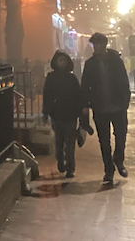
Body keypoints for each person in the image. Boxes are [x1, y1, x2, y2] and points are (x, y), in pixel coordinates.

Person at [80, 31, 131, 184]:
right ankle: (108, 169)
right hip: (100, 106)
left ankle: (119, 159)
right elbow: (85, 85)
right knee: (104, 140)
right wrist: (85, 105)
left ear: (105, 44)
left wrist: (125, 102)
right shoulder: (90, 64)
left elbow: (123, 81)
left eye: (99, 44)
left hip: (117, 106)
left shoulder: (116, 61)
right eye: (94, 44)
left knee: (121, 135)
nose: (97, 47)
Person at [41, 49, 85, 177]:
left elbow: (78, 95)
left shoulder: (72, 79)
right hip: (57, 114)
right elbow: (47, 95)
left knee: (70, 143)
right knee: (59, 141)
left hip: (71, 115)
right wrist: (46, 111)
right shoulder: (51, 78)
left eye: (64, 60)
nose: (62, 63)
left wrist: (81, 112)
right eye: (60, 60)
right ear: (55, 62)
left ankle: (70, 166)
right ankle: (60, 160)